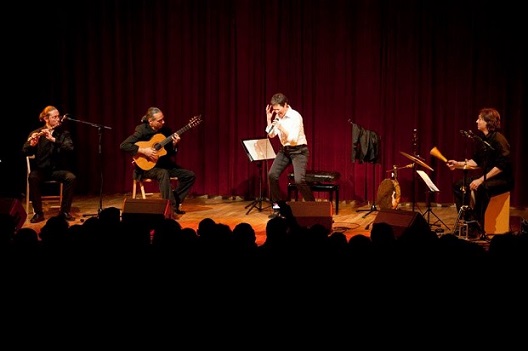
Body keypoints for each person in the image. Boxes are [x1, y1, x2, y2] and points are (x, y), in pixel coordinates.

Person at [120, 106, 196, 215]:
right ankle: (171, 209)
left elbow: (169, 153)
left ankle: (173, 200)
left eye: (163, 119)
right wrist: (144, 151)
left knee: (190, 175)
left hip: (163, 164)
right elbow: (124, 145)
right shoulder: (142, 130)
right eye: (160, 120)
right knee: (163, 173)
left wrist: (174, 144)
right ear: (150, 121)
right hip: (145, 167)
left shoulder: (165, 131)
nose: (163, 122)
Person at [446, 107, 513, 226]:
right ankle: (466, 220)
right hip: (488, 177)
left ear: (488, 122)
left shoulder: (499, 139)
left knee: (482, 188)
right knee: (459, 185)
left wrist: (481, 180)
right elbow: (476, 161)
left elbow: (501, 165)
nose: (477, 121)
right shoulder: (482, 139)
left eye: (479, 119)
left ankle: (476, 224)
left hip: (502, 179)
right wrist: (458, 164)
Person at [22, 105, 76, 223]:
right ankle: (38, 213)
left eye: (58, 117)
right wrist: (32, 144)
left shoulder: (63, 134)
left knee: (71, 177)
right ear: (46, 119)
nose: (58, 119)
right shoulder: (36, 132)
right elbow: (25, 150)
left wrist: (53, 140)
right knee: (32, 177)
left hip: (57, 170)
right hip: (41, 170)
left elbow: (69, 148)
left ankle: (64, 212)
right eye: (55, 117)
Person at [265, 93, 314, 217]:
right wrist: (269, 119)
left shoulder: (295, 117)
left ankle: (315, 207)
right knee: (272, 175)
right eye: (274, 110)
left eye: (278, 109)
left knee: (299, 180)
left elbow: (292, 139)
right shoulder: (277, 117)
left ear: (285, 105)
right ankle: (277, 208)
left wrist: (281, 127)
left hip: (299, 151)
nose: (276, 112)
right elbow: (271, 135)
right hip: (285, 150)